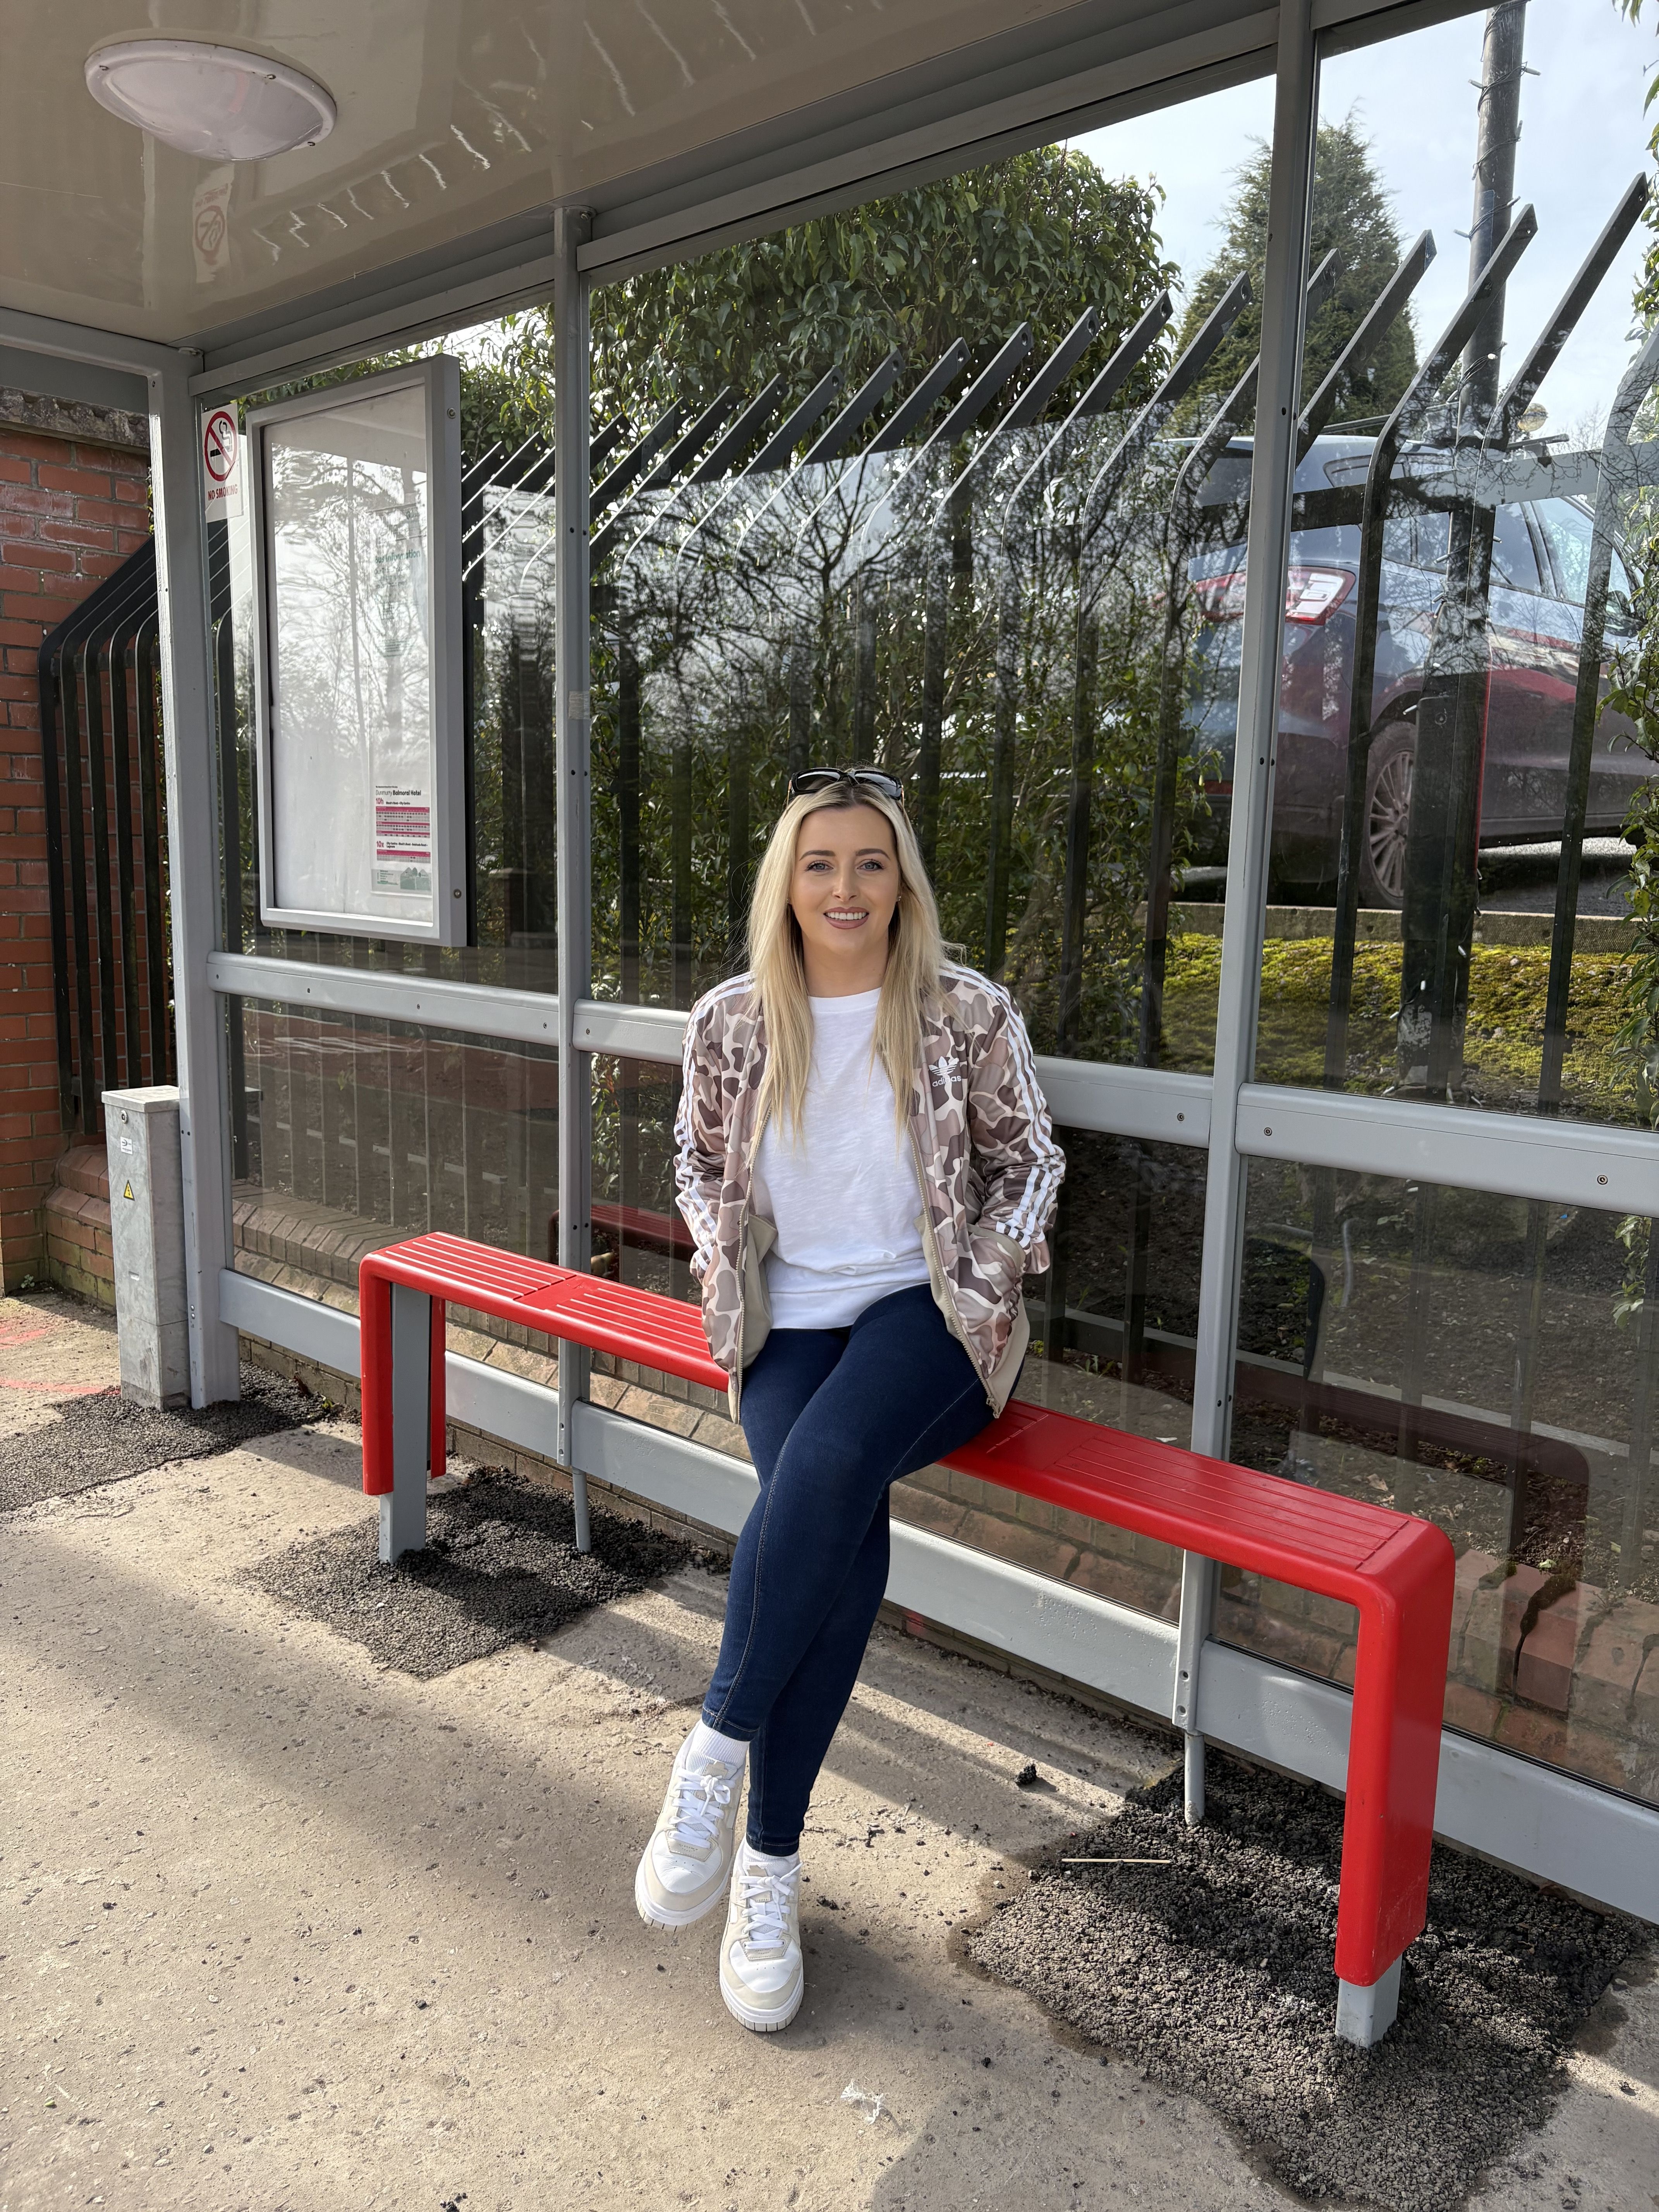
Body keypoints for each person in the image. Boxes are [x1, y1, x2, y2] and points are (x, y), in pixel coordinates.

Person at [635, 765, 1063, 2032]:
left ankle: (712, 1761)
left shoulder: (962, 1012)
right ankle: (766, 1868)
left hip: (927, 1319)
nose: (844, 886)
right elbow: (697, 1158)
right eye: (819, 864)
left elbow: (1030, 1159)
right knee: (831, 1528)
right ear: (788, 882)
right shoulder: (727, 1020)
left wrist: (982, 1280)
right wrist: (720, 1260)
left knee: (817, 1480)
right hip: (784, 1317)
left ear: (901, 881)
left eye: (869, 863)